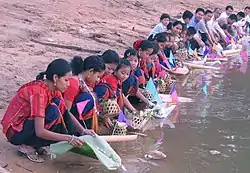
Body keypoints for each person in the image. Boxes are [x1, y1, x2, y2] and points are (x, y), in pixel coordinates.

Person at [1, 59, 94, 163]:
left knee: (59, 108)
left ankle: (36, 143)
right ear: (55, 78)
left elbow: (66, 112)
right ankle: (27, 145)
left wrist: (82, 131)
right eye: (66, 80)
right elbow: (40, 131)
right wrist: (68, 138)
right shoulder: (39, 93)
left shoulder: (54, 90)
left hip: (26, 124)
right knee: (54, 111)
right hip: (15, 131)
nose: (68, 84)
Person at [63, 56, 105, 132]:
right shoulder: (73, 83)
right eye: (98, 76)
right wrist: (81, 130)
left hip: (72, 113)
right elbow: (66, 111)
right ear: (90, 72)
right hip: (66, 115)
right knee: (88, 98)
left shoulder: (82, 82)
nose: (98, 80)